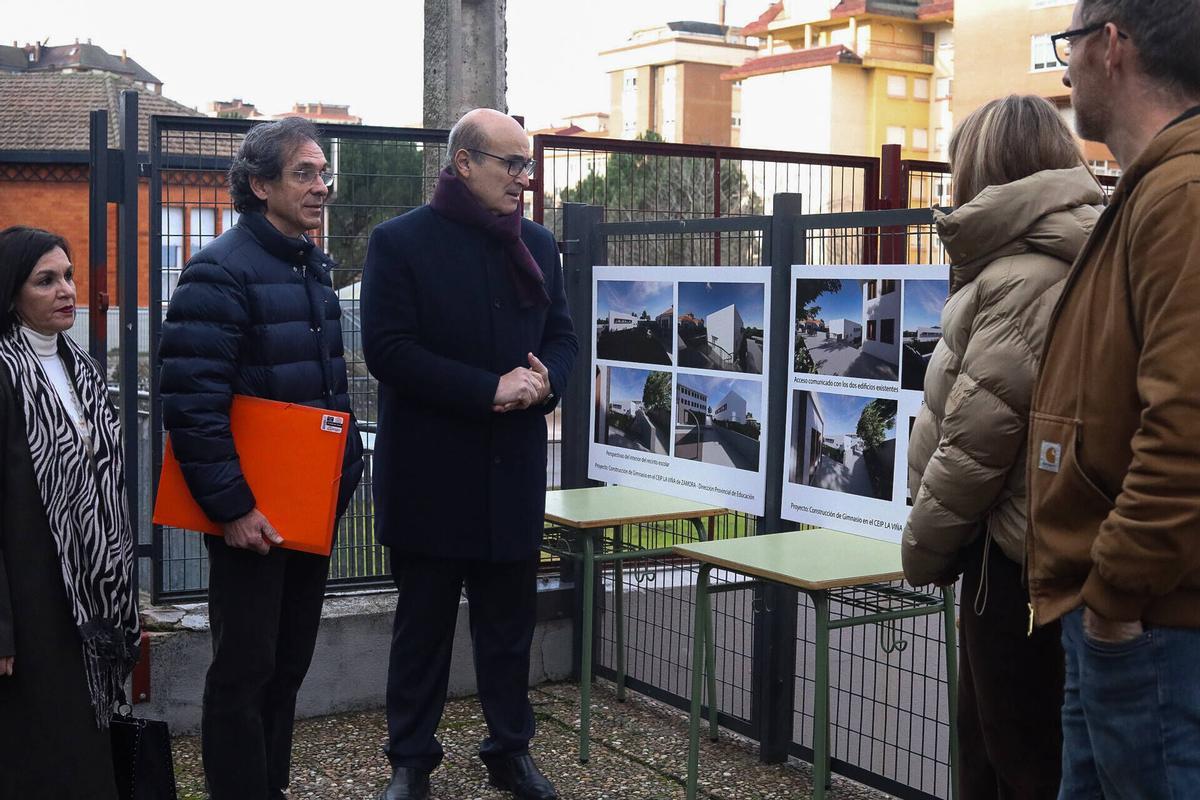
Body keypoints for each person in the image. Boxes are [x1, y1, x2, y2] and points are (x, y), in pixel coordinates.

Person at [361, 108, 577, 800]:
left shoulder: (539, 245)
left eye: (527, 165)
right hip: (429, 473)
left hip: (510, 473)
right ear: (463, 163)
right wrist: (489, 388)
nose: (524, 178)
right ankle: (411, 760)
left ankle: (509, 751)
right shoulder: (399, 243)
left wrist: (548, 384)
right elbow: (388, 351)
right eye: (511, 164)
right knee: (421, 629)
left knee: (508, 629)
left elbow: (565, 337)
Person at [902, 95, 1104, 799]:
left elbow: (975, 442)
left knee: (1008, 757)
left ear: (988, 173)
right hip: (1047, 549)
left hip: (1012, 562)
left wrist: (923, 550)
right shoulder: (1063, 254)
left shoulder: (1022, 277)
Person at [158, 117, 364, 800]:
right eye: (305, 173)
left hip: (308, 509)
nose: (322, 187)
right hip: (252, 519)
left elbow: (327, 389)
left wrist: (344, 476)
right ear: (258, 183)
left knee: (286, 669)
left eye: (323, 173)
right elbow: (191, 406)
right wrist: (234, 509)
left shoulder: (310, 265)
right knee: (244, 674)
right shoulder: (219, 269)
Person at [1027, 1, 1200, 796]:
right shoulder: (1156, 186)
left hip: (1151, 626)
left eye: (1069, 47)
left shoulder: (1183, 194)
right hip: (1128, 618)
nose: (1064, 70)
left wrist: (1115, 600)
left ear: (1110, 46)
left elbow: (1187, 426)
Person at [0, 226, 140, 798]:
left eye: (69, 275)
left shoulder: (80, 366)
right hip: (30, 598)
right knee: (38, 746)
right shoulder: (5, 373)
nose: (66, 290)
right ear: (12, 294)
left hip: (88, 597)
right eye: (46, 280)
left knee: (85, 739)